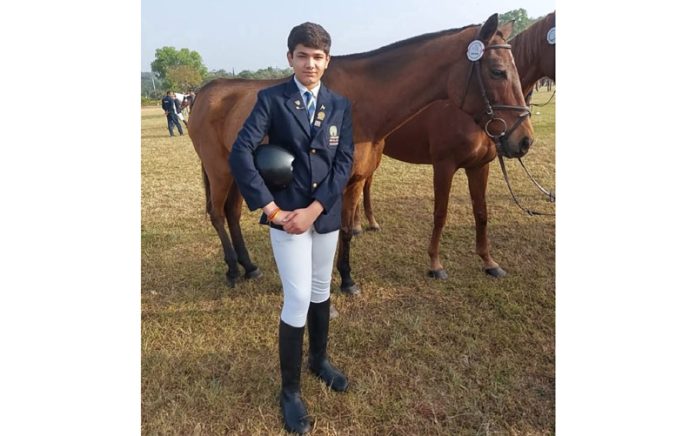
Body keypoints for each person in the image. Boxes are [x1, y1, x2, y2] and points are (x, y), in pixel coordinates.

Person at [229, 22, 354, 434]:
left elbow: (344, 163)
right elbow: (241, 151)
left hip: (324, 216)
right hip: (287, 218)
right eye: (303, 55)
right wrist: (272, 208)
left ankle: (318, 360)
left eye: (318, 57)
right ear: (290, 58)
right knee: (297, 296)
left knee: (320, 289)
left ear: (327, 60)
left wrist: (316, 209)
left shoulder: (339, 105)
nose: (311, 64)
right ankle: (290, 391)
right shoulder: (272, 99)